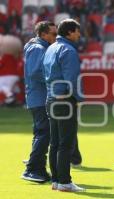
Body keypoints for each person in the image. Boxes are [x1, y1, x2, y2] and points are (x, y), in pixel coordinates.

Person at [43, 19, 85, 192]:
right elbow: (72, 79)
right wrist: (78, 100)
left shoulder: (50, 48)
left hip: (51, 99)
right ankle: (65, 182)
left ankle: (56, 181)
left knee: (54, 142)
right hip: (64, 100)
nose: (79, 34)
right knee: (66, 143)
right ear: (69, 32)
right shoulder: (68, 50)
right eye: (77, 31)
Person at [21, 21, 57, 183]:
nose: (56, 37)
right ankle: (32, 170)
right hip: (40, 96)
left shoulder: (39, 47)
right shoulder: (38, 48)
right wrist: (55, 80)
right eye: (53, 34)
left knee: (42, 133)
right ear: (43, 34)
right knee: (44, 133)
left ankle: (39, 169)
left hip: (38, 96)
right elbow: (35, 72)